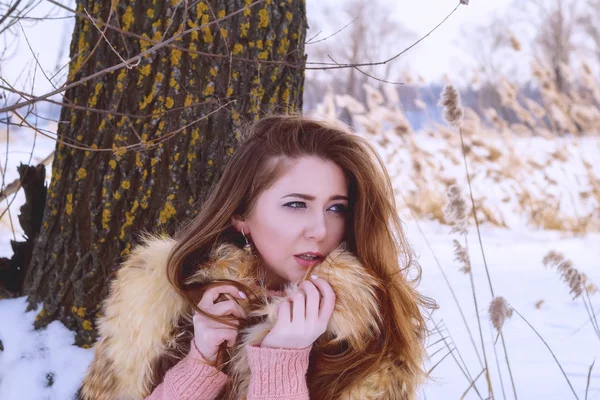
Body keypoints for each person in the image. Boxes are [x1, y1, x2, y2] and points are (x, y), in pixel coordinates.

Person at [80, 114, 433, 400]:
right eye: (297, 204)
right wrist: (201, 363)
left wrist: (281, 362)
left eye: (336, 208)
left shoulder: (368, 327)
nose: (320, 230)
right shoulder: (160, 295)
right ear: (241, 215)